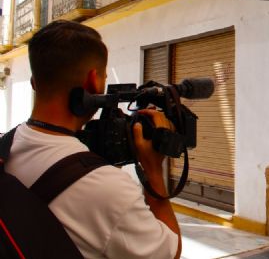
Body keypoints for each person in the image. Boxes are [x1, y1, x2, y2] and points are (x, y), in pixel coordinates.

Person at [4, 21, 181, 259]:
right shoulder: (108, 189)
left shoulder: (6, 146)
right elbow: (169, 253)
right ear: (94, 81)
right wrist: (153, 170)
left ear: (34, 83)